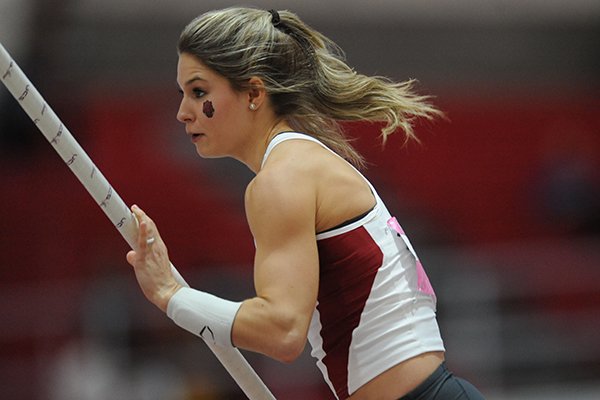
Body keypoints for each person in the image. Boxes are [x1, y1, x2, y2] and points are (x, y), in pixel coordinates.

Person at [126, 7, 485, 400]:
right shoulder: (301, 164)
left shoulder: (282, 179)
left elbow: (282, 331)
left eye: (199, 92)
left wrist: (171, 297)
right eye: (183, 94)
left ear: (254, 93)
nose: (182, 112)